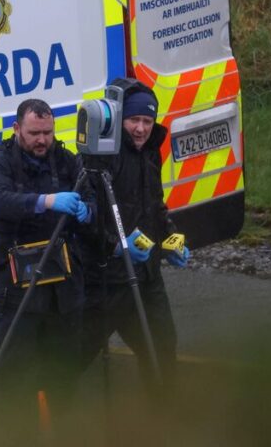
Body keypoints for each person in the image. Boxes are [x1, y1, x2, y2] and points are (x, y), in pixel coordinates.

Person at [0, 98, 93, 417]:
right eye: (34, 133)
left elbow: (93, 195)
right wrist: (45, 201)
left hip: (63, 283)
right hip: (17, 280)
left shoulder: (65, 158)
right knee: (14, 373)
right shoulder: (1, 160)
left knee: (64, 369)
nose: (42, 140)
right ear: (17, 129)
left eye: (48, 132)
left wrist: (88, 211)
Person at [80, 79, 191, 397]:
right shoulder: (102, 159)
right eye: (134, 121)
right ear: (120, 120)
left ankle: (162, 418)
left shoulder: (151, 153)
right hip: (107, 282)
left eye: (147, 121)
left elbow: (155, 206)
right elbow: (87, 222)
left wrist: (172, 241)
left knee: (162, 347)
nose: (141, 129)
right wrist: (117, 247)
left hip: (146, 277)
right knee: (74, 356)